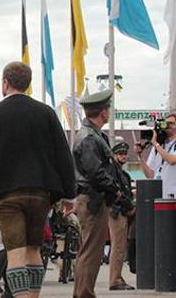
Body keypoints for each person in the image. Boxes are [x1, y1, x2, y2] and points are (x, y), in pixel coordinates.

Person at [0, 62, 76, 298]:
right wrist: (69, 194)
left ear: (6, 83)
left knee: (15, 253)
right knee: (33, 249)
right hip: (41, 194)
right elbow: (63, 155)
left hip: (7, 194)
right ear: (28, 84)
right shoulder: (46, 112)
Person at [71, 89, 128, 298]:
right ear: (103, 113)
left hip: (93, 197)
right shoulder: (89, 137)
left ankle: (82, 293)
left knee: (89, 251)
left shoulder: (92, 134)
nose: (109, 112)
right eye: (108, 109)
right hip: (93, 198)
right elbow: (96, 172)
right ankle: (84, 294)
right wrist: (116, 191)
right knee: (91, 253)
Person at [108, 139, 135, 291]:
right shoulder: (113, 170)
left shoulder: (122, 172)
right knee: (118, 247)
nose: (123, 156)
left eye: (125, 154)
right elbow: (115, 191)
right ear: (114, 155)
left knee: (120, 246)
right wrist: (129, 206)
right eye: (120, 154)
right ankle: (115, 279)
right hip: (116, 211)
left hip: (121, 211)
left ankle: (117, 276)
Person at [140, 113, 176, 197]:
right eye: (166, 123)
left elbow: (172, 160)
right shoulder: (159, 146)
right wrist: (140, 155)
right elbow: (150, 175)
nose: (168, 125)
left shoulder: (157, 145)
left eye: (171, 123)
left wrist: (155, 143)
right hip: (159, 196)